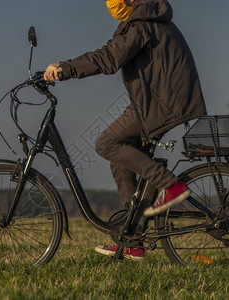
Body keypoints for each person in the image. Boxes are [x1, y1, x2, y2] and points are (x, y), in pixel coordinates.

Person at [44, 0, 206, 261]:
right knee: (120, 163)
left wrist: (66, 68)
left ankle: (169, 185)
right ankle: (133, 241)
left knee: (106, 143)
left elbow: (109, 58)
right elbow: (111, 52)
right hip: (159, 101)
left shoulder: (142, 24)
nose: (113, 5)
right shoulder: (147, 20)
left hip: (161, 104)